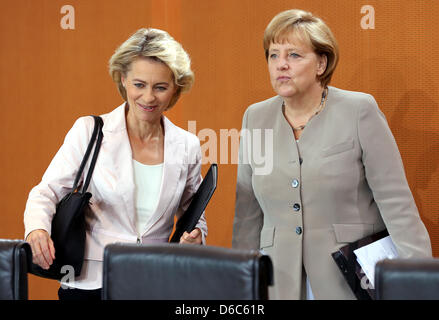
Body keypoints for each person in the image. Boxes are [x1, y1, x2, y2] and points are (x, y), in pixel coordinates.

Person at [232, 9, 432, 300]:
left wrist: (418, 281)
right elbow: (247, 214)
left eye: (294, 55)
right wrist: (239, 283)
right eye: (273, 55)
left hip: (348, 280)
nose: (281, 65)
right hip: (278, 282)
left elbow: (396, 203)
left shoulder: (359, 110)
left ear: (321, 63)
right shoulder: (255, 117)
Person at [24, 28, 207, 300]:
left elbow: (195, 216)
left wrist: (196, 238)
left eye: (160, 87)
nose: (148, 98)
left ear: (176, 88)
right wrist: (36, 229)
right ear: (123, 80)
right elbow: (46, 192)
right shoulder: (89, 130)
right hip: (89, 284)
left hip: (154, 284)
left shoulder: (188, 145)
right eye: (139, 85)